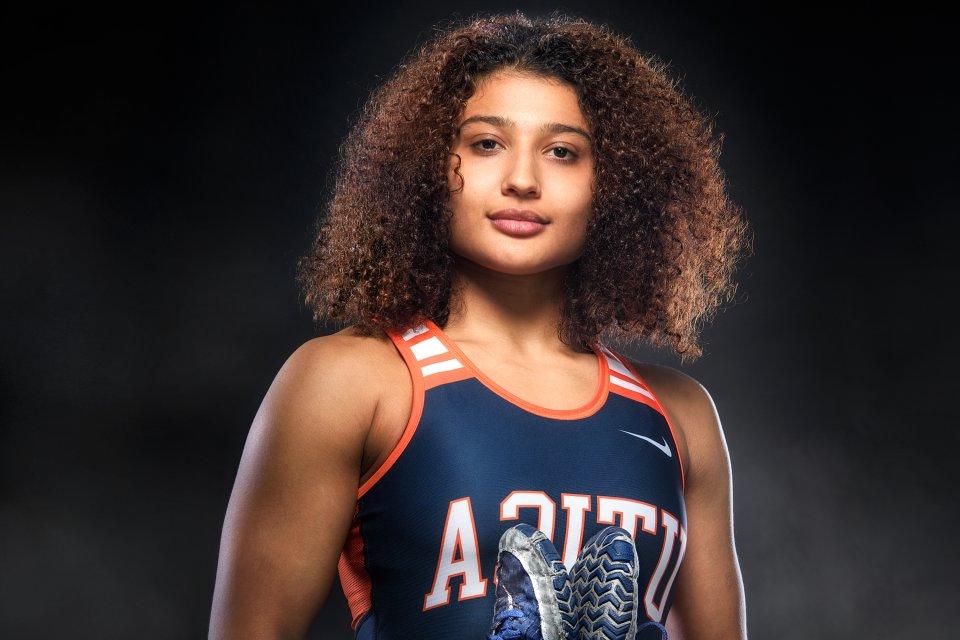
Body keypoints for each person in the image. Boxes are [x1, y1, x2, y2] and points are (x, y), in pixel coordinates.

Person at [209, 11, 751, 640]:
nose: (522, 180)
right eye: (487, 143)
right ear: (429, 165)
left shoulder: (678, 414)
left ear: (617, 186)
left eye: (562, 152)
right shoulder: (351, 381)